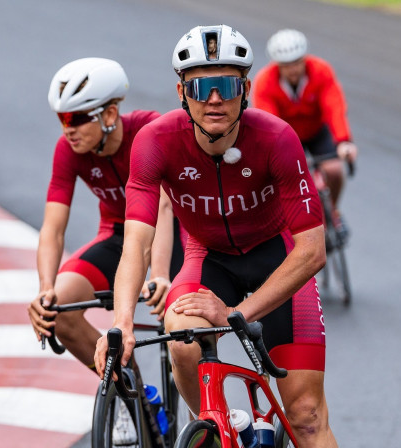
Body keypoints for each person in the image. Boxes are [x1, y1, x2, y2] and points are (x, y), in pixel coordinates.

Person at [94, 25, 339, 447]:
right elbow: (136, 241)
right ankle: (215, 424)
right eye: (200, 87)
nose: (213, 99)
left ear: (244, 89)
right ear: (181, 92)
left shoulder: (277, 138)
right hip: (209, 260)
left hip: (277, 260)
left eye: (225, 85)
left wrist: (234, 313)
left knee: (306, 417)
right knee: (183, 334)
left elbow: (313, 251)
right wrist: (120, 324)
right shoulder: (155, 142)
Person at [26, 57, 181, 444]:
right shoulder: (69, 150)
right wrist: (46, 287)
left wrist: (159, 273)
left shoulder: (148, 128)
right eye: (62, 119)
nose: (68, 130)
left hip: (177, 232)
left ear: (110, 112)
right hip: (118, 234)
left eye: (77, 119)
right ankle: (132, 394)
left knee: (184, 331)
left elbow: (164, 206)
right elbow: (53, 226)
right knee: (58, 309)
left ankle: (201, 422)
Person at [253, 29, 358, 236]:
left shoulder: (321, 70)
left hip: (317, 131)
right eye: (286, 65)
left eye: (297, 62)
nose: (293, 69)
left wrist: (344, 141)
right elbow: (269, 123)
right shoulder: (265, 81)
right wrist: (273, 156)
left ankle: (333, 211)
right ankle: (296, 221)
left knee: (335, 170)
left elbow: (334, 106)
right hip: (288, 137)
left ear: (305, 58)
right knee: (288, 179)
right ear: (277, 64)